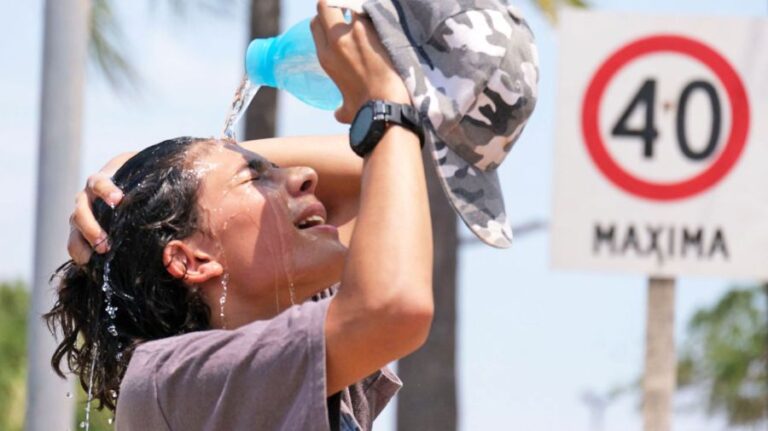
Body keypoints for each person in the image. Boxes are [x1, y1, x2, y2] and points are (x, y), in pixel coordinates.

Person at [48, 2, 433, 429]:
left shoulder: (301, 345)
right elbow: (395, 304)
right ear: (190, 259)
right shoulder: (168, 380)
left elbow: (385, 172)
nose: (306, 176)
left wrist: (146, 161)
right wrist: (384, 104)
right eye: (255, 177)